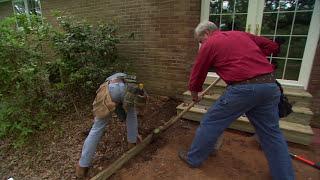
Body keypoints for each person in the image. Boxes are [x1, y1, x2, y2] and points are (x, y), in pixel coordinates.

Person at [178, 21, 294, 180]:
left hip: (244, 89)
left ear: (206, 33)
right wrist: (252, 58)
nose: (201, 45)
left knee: (211, 122)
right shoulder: (240, 34)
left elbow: (198, 74)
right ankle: (285, 176)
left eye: (200, 41)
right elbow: (271, 46)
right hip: (270, 86)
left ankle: (193, 158)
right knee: (271, 134)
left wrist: (194, 95)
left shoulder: (210, 43)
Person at [75, 73, 143, 178]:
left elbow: (118, 109)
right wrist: (135, 133)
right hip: (127, 90)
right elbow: (123, 111)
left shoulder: (107, 82)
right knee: (131, 115)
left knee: (97, 128)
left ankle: (82, 166)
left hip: (111, 90)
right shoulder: (129, 81)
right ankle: (132, 144)